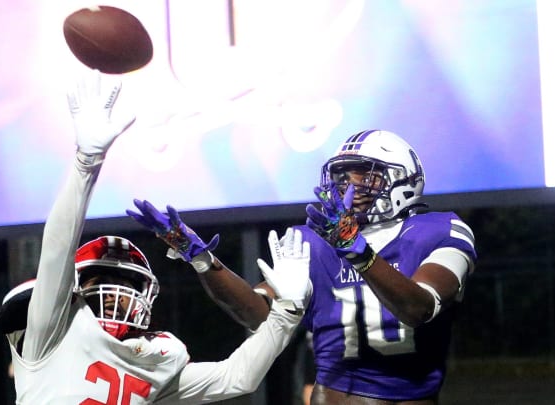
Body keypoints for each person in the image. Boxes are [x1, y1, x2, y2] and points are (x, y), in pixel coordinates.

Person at [3, 70, 313, 404]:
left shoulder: (156, 358)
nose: (115, 293)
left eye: (126, 284)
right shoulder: (52, 331)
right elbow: (57, 247)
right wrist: (86, 164)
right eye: (102, 279)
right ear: (75, 287)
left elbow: (237, 378)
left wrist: (288, 311)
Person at [126, 129, 477, 404]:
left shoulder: (440, 230)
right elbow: (257, 315)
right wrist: (200, 258)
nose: (349, 186)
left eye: (364, 176)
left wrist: (357, 251)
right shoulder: (312, 239)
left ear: (403, 180)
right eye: (342, 177)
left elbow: (418, 307)